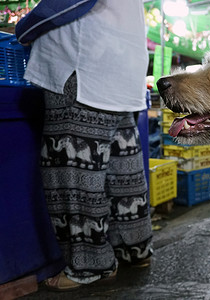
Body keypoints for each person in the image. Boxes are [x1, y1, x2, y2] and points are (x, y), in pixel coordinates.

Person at [17, 0, 153, 290]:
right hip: (123, 67)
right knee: (122, 170)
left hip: (84, 65)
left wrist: (26, 27)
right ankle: (135, 250)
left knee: (74, 173)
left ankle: (91, 266)